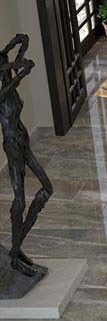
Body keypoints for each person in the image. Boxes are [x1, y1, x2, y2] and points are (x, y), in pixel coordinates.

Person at [0, 34, 52, 278]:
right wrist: (20, 69)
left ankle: (16, 247)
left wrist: (16, 46)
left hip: (24, 142)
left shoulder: (9, 86)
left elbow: (24, 42)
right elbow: (19, 74)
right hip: (13, 146)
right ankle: (15, 255)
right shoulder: (3, 93)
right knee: (19, 199)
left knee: (47, 188)